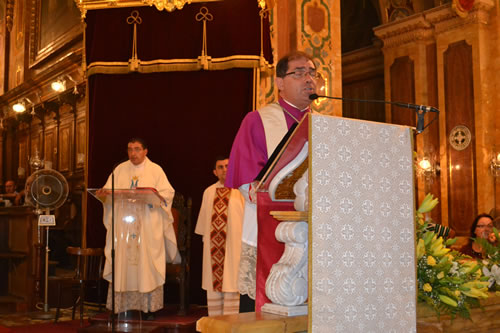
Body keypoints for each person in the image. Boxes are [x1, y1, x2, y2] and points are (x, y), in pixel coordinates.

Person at [225, 51, 318, 311]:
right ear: (279, 83)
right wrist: (257, 189)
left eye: (312, 72)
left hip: (317, 227)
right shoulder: (258, 121)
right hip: (268, 225)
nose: (308, 79)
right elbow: (247, 180)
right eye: (299, 73)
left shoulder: (324, 124)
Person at [99, 138, 180, 316]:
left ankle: (148, 308)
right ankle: (122, 307)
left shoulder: (155, 170)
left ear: (145, 151)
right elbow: (107, 191)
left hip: (147, 226)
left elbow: (167, 194)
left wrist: (152, 199)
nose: (133, 153)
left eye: (137, 149)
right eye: (129, 149)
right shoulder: (120, 169)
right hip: (124, 227)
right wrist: (105, 195)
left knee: (146, 264)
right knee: (123, 262)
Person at [195, 156, 245, 316]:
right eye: (220, 167)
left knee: (232, 282)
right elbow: (203, 223)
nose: (224, 170)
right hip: (213, 250)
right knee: (213, 285)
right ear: (215, 172)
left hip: (234, 246)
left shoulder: (241, 191)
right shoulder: (209, 192)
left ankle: (231, 326)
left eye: (227, 166)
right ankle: (216, 325)